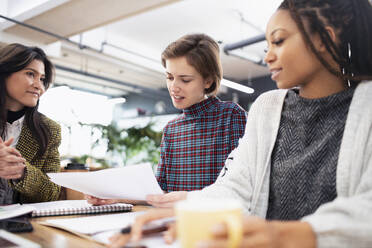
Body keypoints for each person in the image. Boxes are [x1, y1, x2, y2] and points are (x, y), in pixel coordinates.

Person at [108, 0, 372, 247]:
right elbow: (236, 186)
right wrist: (189, 210)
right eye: (267, 46)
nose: (268, 56)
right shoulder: (267, 108)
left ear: (325, 37)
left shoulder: (367, 108)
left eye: (278, 41)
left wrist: (289, 234)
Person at [86, 34, 247, 205]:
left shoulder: (230, 115)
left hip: (212, 222)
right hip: (172, 222)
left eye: (185, 80)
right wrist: (115, 198)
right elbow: (160, 190)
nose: (173, 87)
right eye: (169, 77)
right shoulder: (171, 129)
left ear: (208, 81)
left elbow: (239, 187)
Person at [0, 43, 61, 204]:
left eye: (42, 79)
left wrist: (22, 171)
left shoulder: (49, 130)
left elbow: (53, 192)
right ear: (4, 73)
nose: (39, 86)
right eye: (30, 74)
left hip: (20, 225)